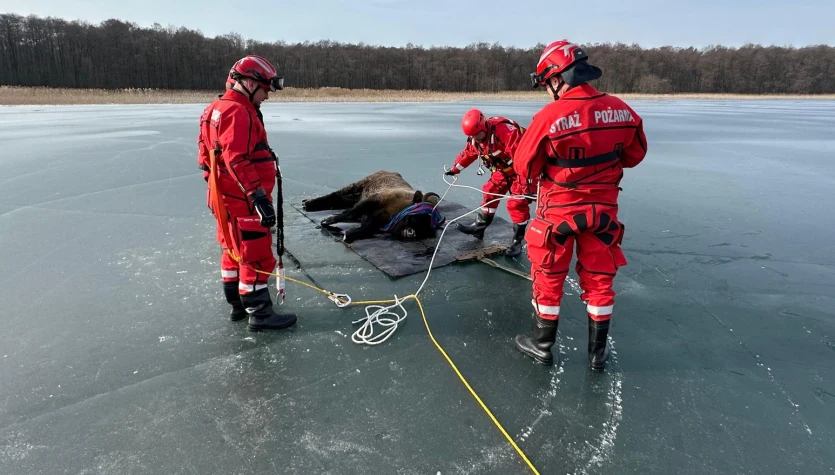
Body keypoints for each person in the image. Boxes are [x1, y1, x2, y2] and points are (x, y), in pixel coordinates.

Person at [511, 40, 647, 371]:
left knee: (548, 275)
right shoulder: (622, 110)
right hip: (603, 213)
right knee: (600, 278)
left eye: (547, 84)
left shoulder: (549, 116)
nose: (547, 91)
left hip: (558, 213)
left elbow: (524, 166)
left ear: (558, 78)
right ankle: (597, 354)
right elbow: (635, 155)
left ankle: (542, 345)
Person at [197, 55, 297, 331]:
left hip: (224, 199)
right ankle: (260, 313)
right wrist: (258, 198)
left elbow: (205, 158)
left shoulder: (214, 109)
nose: (267, 95)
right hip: (243, 201)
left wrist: (217, 190)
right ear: (249, 83)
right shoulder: (238, 112)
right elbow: (237, 159)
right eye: (265, 89)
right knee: (255, 254)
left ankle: (237, 306)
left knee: (233, 251)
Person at [445, 109, 535, 257]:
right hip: (502, 171)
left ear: (484, 126)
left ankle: (517, 241)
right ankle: (479, 228)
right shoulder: (475, 139)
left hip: (520, 171)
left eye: (477, 134)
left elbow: (524, 159)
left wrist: (527, 185)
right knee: (489, 192)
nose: (475, 138)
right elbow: (469, 153)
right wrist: (455, 169)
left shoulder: (505, 132)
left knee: (516, 204)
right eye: (472, 136)